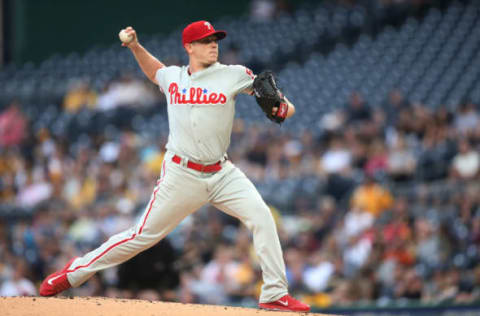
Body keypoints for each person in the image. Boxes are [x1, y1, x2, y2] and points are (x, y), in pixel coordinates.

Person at [39, 20, 310, 312]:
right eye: (206, 41)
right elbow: (155, 71)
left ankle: (274, 293)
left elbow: (284, 107)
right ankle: (73, 273)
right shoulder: (174, 77)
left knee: (262, 216)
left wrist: (282, 107)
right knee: (141, 236)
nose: (213, 44)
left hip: (222, 173)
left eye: (215, 39)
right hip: (181, 174)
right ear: (189, 47)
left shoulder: (235, 74)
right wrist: (134, 46)